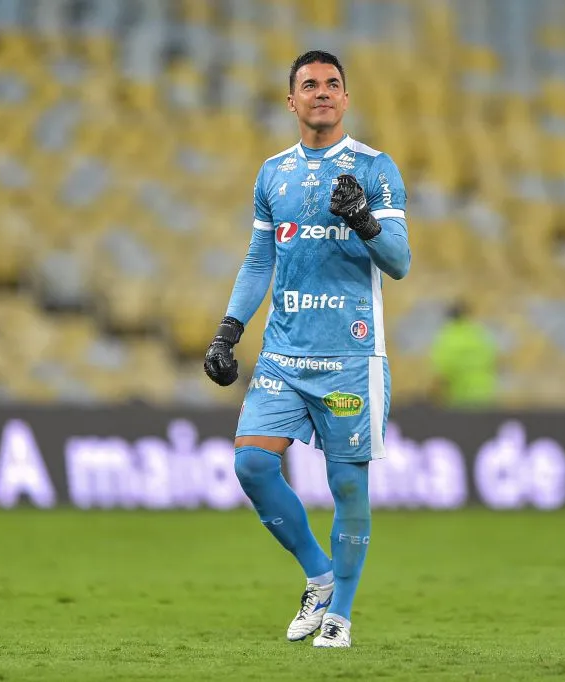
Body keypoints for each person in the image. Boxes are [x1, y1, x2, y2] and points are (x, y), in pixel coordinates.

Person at [203, 50, 411, 649]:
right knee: (251, 464)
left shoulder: (375, 169)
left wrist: (365, 220)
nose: (322, 92)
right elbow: (259, 260)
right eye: (310, 85)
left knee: (348, 488)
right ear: (291, 101)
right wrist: (228, 329)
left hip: (351, 355)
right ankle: (319, 576)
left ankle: (340, 614)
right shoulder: (273, 175)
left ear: (346, 99)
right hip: (284, 354)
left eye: (333, 84)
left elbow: (398, 263)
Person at [429, 301, 497, 407]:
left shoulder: (447, 338)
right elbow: (493, 362)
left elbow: (442, 373)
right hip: (485, 398)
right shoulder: (480, 334)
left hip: (459, 401)